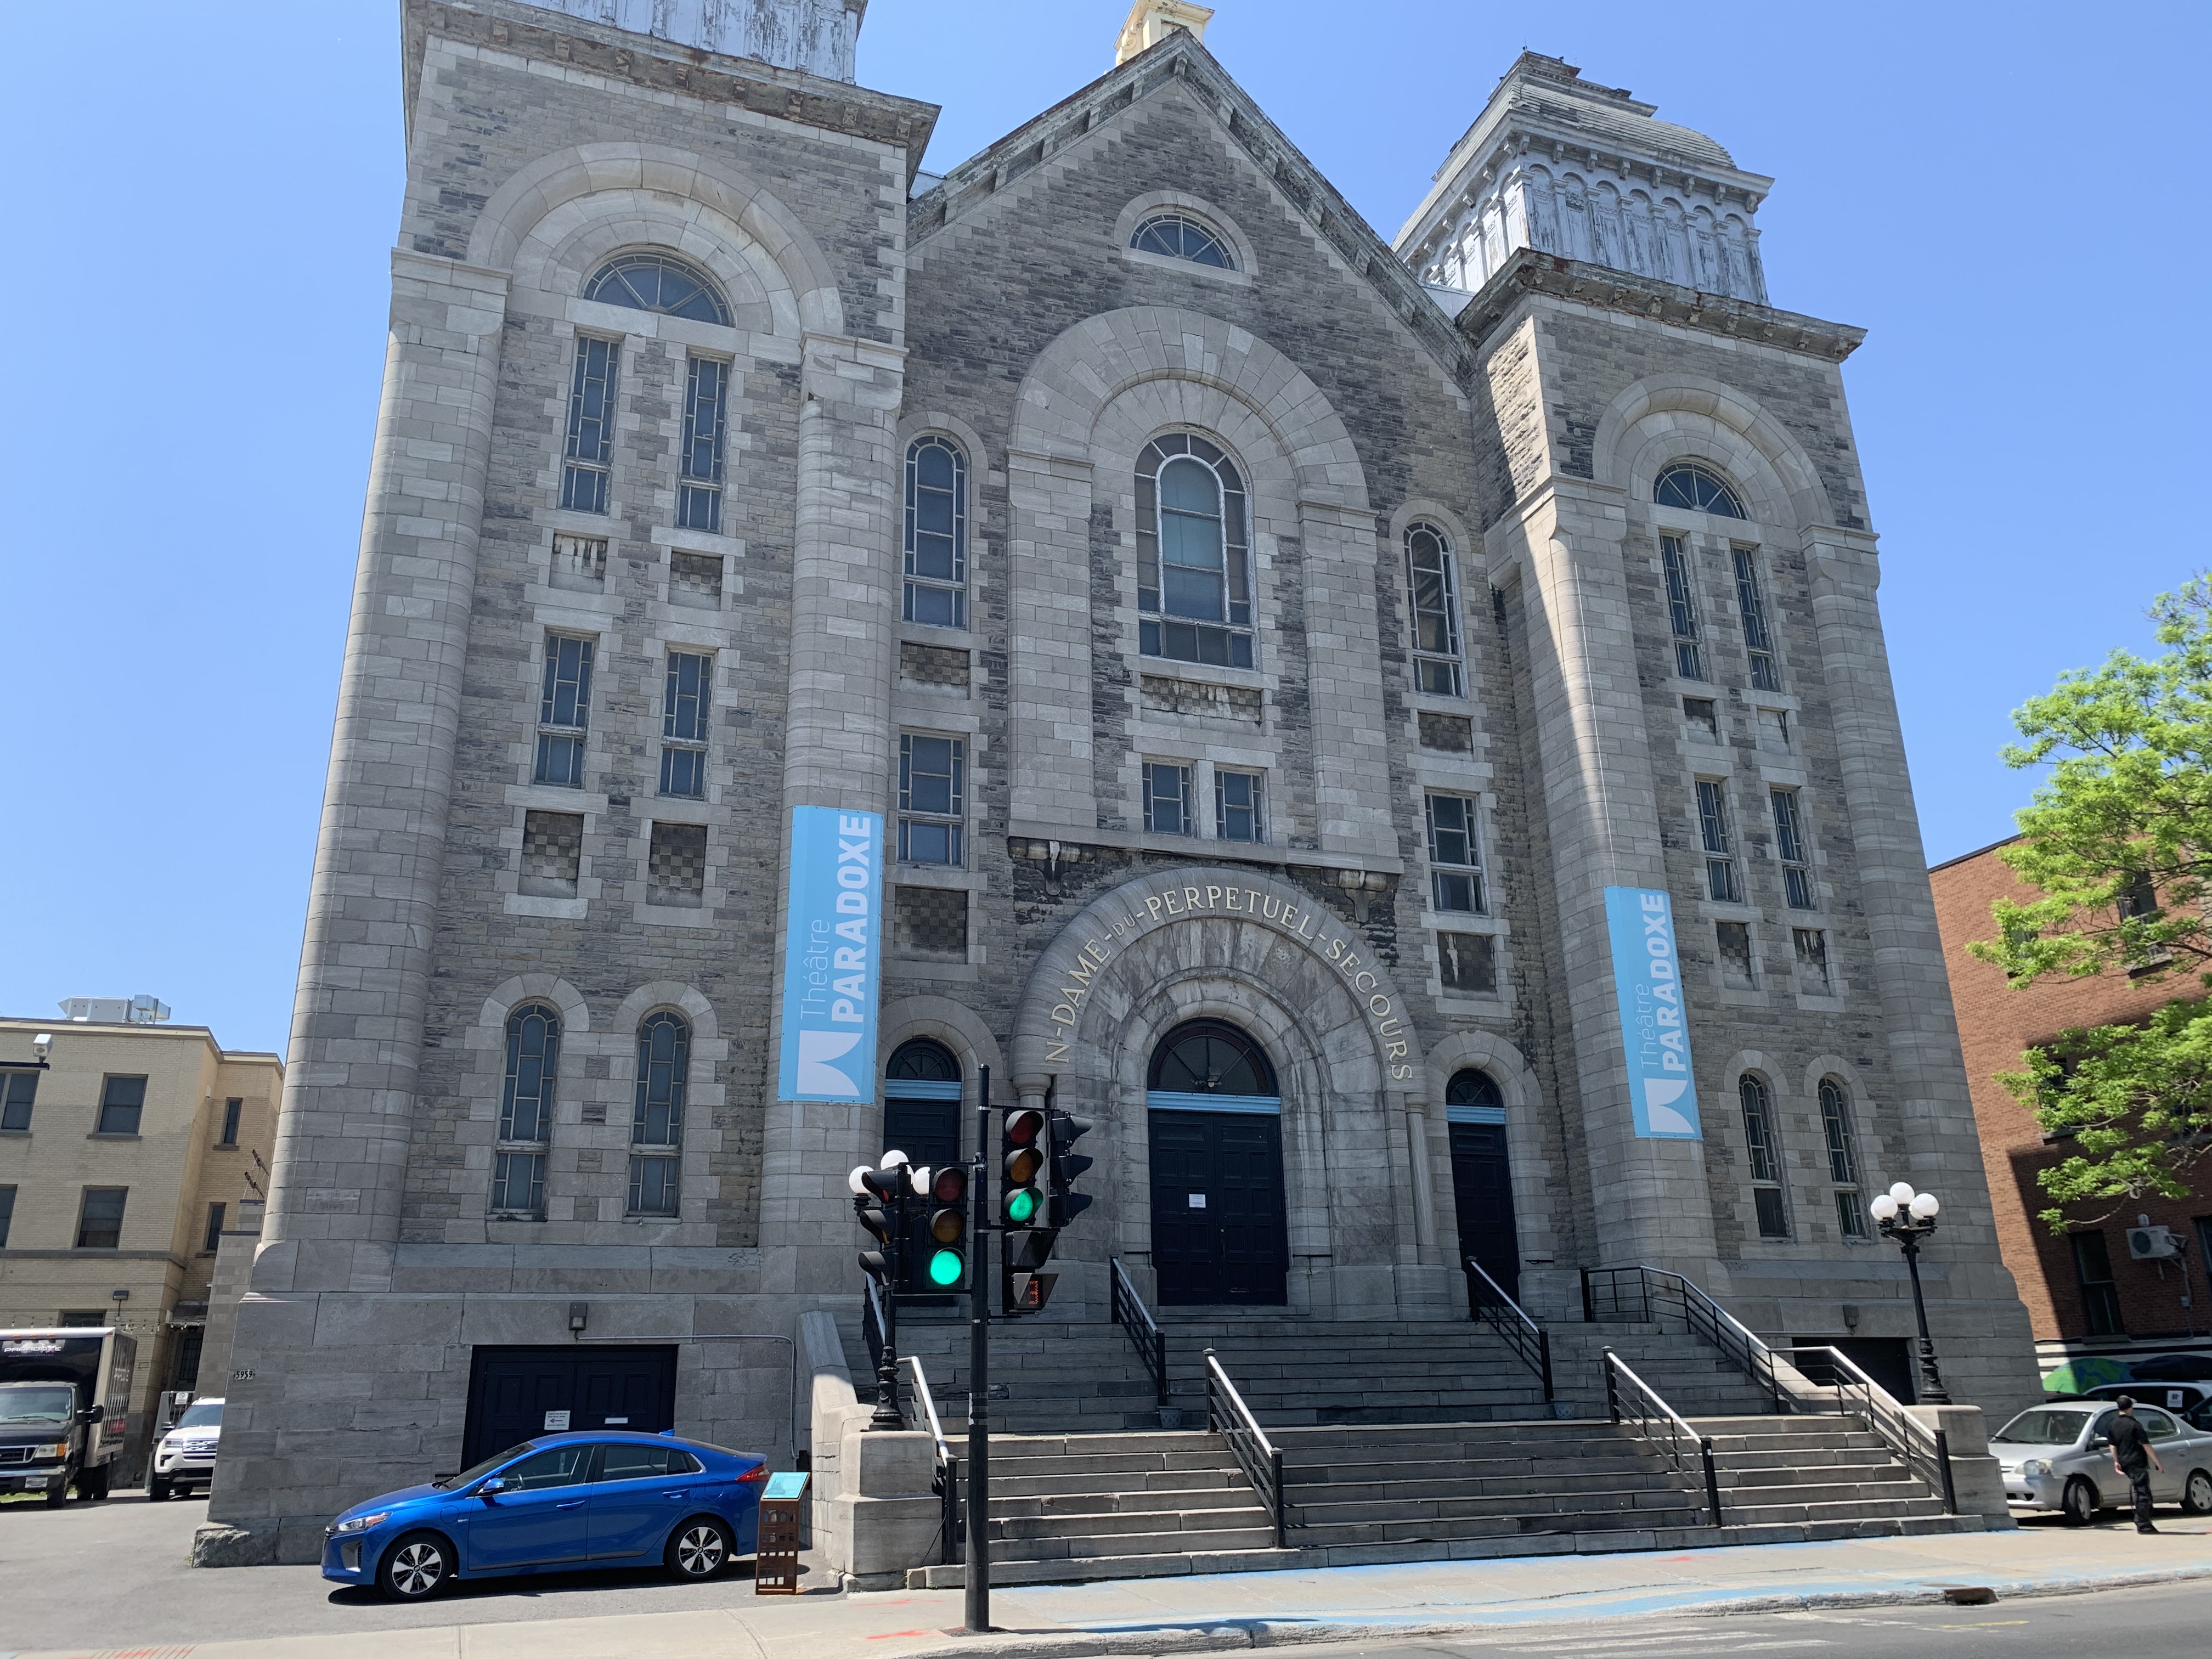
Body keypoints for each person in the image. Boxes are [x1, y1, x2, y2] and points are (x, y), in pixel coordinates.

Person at [2107, 1396, 2163, 1533]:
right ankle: (2143, 1524)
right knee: (2142, 1493)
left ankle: (2145, 1520)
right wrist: (2157, 1462)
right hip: (2137, 1461)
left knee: (2141, 1491)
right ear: (2130, 1407)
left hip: (2125, 1461)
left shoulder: (2113, 1424)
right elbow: (2146, 1445)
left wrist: (2116, 1461)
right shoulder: (2135, 1425)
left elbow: (2112, 1445)